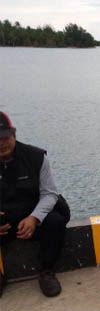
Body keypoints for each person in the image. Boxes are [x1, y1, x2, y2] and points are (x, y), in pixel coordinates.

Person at [0, 111, 70, 297]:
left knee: (55, 222)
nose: (1, 143)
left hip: (30, 216)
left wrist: (34, 218)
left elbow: (49, 193)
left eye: (5, 137)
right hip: (3, 222)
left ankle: (46, 270)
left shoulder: (36, 157)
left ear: (13, 135)